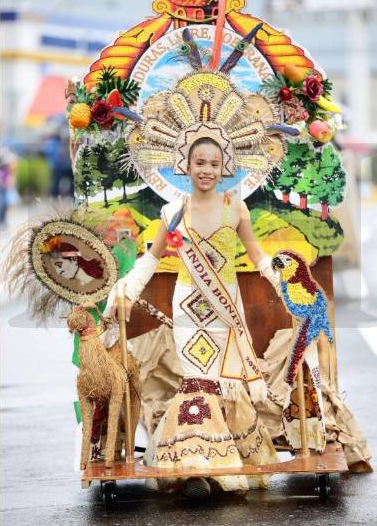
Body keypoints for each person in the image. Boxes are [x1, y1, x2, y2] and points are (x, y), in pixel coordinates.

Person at [104, 135, 282, 497]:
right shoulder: (172, 213)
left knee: (225, 386)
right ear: (185, 166)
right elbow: (151, 259)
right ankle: (196, 463)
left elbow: (259, 258)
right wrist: (125, 290)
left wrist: (286, 286)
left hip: (225, 312)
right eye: (199, 163)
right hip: (187, 310)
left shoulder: (237, 208)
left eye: (214, 164)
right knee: (198, 382)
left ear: (223, 168)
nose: (207, 170)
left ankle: (219, 460)